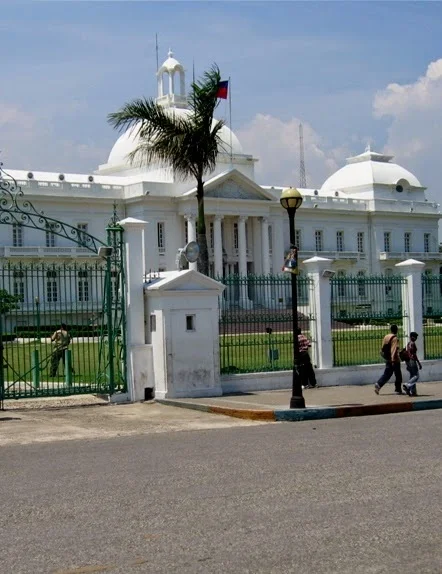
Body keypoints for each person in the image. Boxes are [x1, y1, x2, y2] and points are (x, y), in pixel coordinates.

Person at [374, 324, 403, 395]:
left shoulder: (386, 336)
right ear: (396, 330)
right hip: (394, 360)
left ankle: (379, 384)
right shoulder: (395, 338)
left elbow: (383, 348)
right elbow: (394, 349)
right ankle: (398, 389)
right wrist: (393, 360)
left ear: (390, 330)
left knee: (387, 373)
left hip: (387, 358)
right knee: (398, 375)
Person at [402, 332, 422, 397]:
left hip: (408, 362)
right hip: (412, 361)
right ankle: (407, 385)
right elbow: (414, 355)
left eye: (416, 337)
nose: (415, 338)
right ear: (411, 337)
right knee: (416, 376)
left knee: (412, 376)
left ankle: (412, 391)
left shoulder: (408, 344)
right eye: (414, 337)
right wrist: (419, 363)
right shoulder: (412, 344)